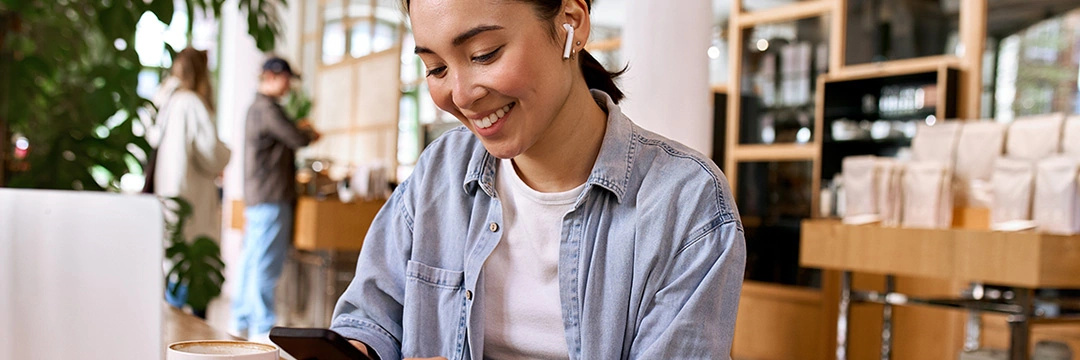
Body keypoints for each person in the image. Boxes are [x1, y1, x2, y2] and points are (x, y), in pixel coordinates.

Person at [330, 0, 746, 358]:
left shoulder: (686, 201)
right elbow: (371, 316)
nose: (459, 95)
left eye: (484, 54)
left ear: (571, 20)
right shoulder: (441, 169)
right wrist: (357, 348)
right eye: (436, 68)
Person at [232, 57, 320, 340]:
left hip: (259, 195)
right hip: (271, 196)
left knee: (252, 260)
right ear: (271, 76)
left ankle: (242, 320)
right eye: (285, 79)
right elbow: (296, 138)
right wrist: (308, 131)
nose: (288, 85)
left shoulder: (254, 109)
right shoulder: (268, 109)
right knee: (265, 264)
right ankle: (261, 328)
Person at [147, 47, 232, 318]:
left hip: (169, 200)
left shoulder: (165, 103)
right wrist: (227, 151)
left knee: (172, 271)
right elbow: (212, 155)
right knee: (193, 279)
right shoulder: (191, 103)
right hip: (192, 202)